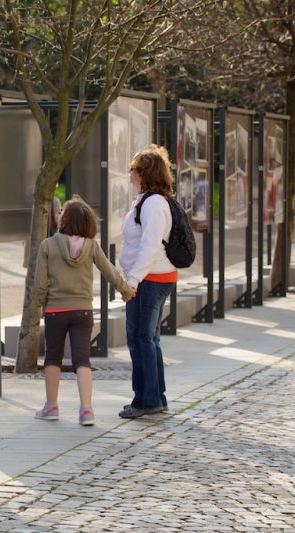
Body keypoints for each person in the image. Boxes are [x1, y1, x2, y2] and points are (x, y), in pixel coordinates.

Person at [33, 196, 134, 426]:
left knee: (52, 358)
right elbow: (110, 272)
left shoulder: (47, 246)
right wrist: (126, 292)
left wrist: (41, 307)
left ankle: (51, 406)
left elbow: (39, 284)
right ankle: (86, 410)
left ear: (64, 220)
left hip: (56, 310)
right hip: (83, 310)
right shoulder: (92, 247)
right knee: (82, 360)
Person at [118, 145, 177, 419]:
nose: (130, 174)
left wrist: (132, 281)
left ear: (144, 174)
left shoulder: (153, 204)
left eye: (134, 169)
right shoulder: (150, 201)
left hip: (150, 279)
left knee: (141, 338)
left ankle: (146, 400)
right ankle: (154, 396)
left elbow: (150, 246)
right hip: (150, 278)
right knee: (148, 339)